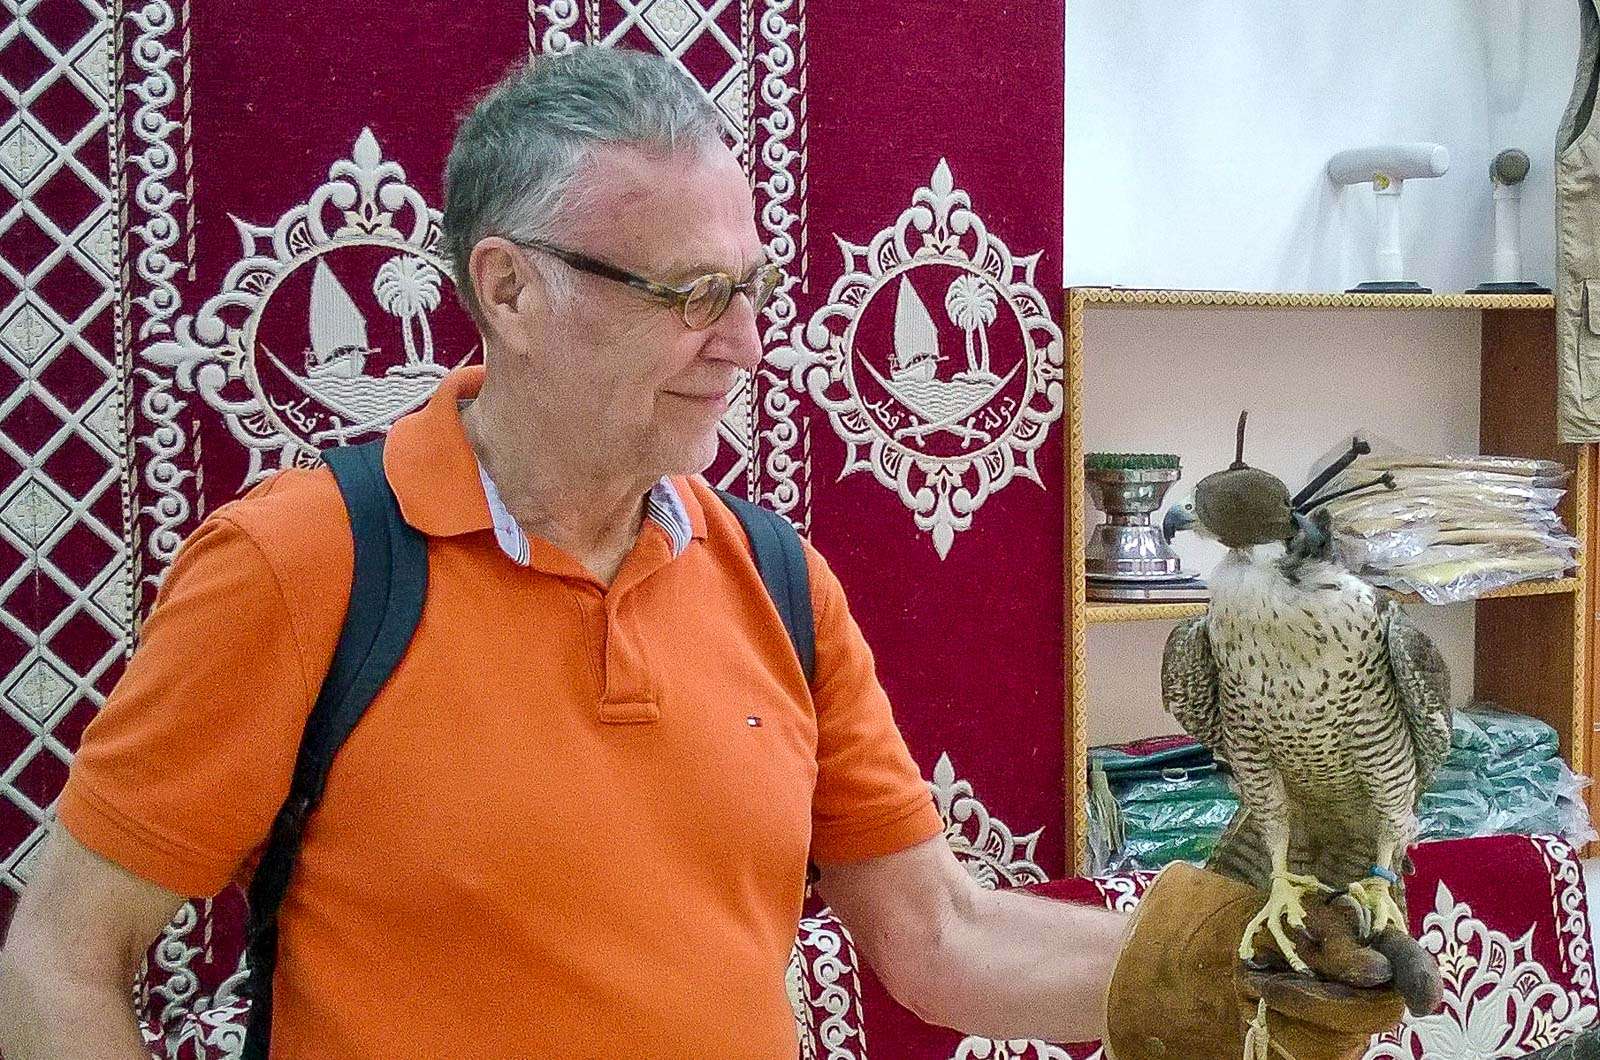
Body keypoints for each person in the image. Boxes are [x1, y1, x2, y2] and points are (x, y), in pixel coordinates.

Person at [0, 47, 1421, 1059]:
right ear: (510, 289)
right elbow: (63, 955)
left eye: (749, 287)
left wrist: (1237, 962)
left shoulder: (778, 582)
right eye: (687, 295)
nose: (743, 343)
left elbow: (938, 934)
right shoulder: (299, 565)